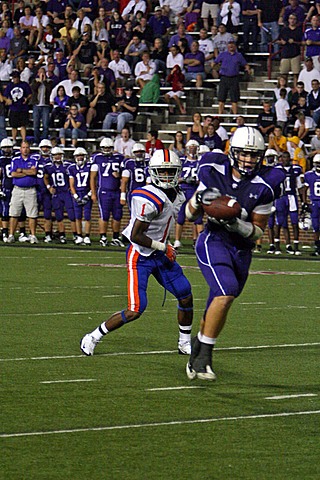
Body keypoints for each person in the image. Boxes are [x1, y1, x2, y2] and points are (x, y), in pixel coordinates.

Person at [184, 127, 285, 380]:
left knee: (220, 300)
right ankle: (204, 358)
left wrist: (235, 223)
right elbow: (186, 215)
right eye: (243, 154)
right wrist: (199, 200)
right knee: (226, 290)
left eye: (254, 155)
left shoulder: (265, 184)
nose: (249, 160)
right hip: (213, 240)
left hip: (241, 248)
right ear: (232, 153)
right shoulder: (212, 169)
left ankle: (196, 350)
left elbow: (258, 231)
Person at [80, 148, 193, 357]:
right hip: (140, 255)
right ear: (153, 172)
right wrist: (164, 247)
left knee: (185, 295)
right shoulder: (148, 197)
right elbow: (135, 235)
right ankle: (93, 335)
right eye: (162, 171)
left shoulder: (178, 194)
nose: (167, 176)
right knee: (136, 309)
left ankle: (184, 342)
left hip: (160, 253)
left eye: (171, 172)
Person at [90, 137, 125, 247]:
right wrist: (93, 192)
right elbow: (92, 177)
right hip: (104, 191)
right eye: (105, 148)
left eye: (109, 148)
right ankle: (103, 237)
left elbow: (124, 175)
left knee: (117, 215)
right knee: (104, 215)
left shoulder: (119, 158)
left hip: (117, 191)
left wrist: (118, 175)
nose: (106, 150)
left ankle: (115, 237)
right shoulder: (97, 158)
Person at [6, 141, 39, 244]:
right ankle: (11, 235)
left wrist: (21, 170)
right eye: (23, 147)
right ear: (20, 149)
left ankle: (33, 235)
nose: (25, 149)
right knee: (14, 213)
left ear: (29, 149)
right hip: (18, 189)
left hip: (30, 190)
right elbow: (13, 174)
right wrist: (27, 172)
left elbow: (34, 172)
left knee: (32, 214)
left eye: (27, 147)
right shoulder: (15, 159)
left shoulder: (34, 159)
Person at [44, 146, 77, 244]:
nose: (57, 157)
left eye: (59, 155)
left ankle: (76, 235)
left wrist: (71, 187)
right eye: (55, 155)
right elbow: (45, 177)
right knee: (59, 216)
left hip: (66, 192)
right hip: (57, 193)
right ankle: (62, 235)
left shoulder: (68, 165)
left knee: (72, 215)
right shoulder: (48, 167)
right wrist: (49, 187)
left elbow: (73, 177)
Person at [174, 139, 202, 250]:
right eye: (190, 147)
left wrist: (195, 181)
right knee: (180, 217)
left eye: (194, 148)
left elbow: (203, 180)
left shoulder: (200, 162)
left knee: (198, 219)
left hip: (195, 192)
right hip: (183, 191)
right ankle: (177, 241)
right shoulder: (182, 161)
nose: (192, 150)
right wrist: (184, 179)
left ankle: (200, 241)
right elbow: (175, 178)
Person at [274, 151, 303, 255]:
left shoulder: (295, 169)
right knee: (280, 222)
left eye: (287, 157)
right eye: (283, 157)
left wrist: (303, 200)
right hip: (281, 197)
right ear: (281, 158)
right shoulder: (277, 169)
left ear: (289, 158)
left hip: (292, 196)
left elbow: (299, 186)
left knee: (294, 222)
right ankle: (277, 246)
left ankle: (296, 246)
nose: (285, 159)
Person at [214, 39, 251, 115]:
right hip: (224, 78)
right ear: (227, 46)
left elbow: (245, 64)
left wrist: (248, 69)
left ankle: (235, 116)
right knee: (221, 99)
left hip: (234, 78)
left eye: (232, 44)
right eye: (229, 44)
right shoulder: (222, 54)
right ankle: (220, 115)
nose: (231, 46)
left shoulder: (239, 55)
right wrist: (216, 69)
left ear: (235, 46)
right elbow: (214, 63)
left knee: (234, 100)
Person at [68, 147, 93, 245]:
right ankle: (79, 235)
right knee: (77, 216)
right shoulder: (72, 168)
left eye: (81, 155)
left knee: (87, 216)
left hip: (87, 192)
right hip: (77, 193)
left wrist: (89, 194)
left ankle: (87, 236)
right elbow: (71, 184)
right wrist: (75, 196)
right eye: (78, 156)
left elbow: (93, 181)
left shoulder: (90, 167)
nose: (79, 158)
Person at [4, 69, 32, 145]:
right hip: (13, 108)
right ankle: (14, 139)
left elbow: (30, 94)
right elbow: (5, 96)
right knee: (14, 125)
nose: (15, 79)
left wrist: (27, 99)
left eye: (16, 77)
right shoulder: (10, 85)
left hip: (23, 108)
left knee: (23, 125)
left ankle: (23, 140)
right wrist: (7, 100)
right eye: (13, 77)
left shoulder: (24, 85)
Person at [120, 142, 148, 209]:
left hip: (145, 192)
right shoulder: (128, 163)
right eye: (137, 152)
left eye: (141, 152)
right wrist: (123, 196)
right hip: (133, 191)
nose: (139, 154)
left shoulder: (148, 162)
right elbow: (124, 181)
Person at [30, 67, 54, 146]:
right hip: (36, 105)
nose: (42, 74)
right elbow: (33, 88)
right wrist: (39, 81)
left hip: (45, 105)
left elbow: (50, 89)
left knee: (45, 124)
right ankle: (36, 141)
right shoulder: (34, 81)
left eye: (43, 72)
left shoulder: (49, 81)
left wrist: (44, 81)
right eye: (40, 72)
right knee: (36, 124)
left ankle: (44, 140)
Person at [302, 154, 320, 256]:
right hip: (315, 202)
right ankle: (318, 248)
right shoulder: (309, 175)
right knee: (315, 226)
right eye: (318, 163)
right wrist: (304, 202)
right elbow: (304, 189)